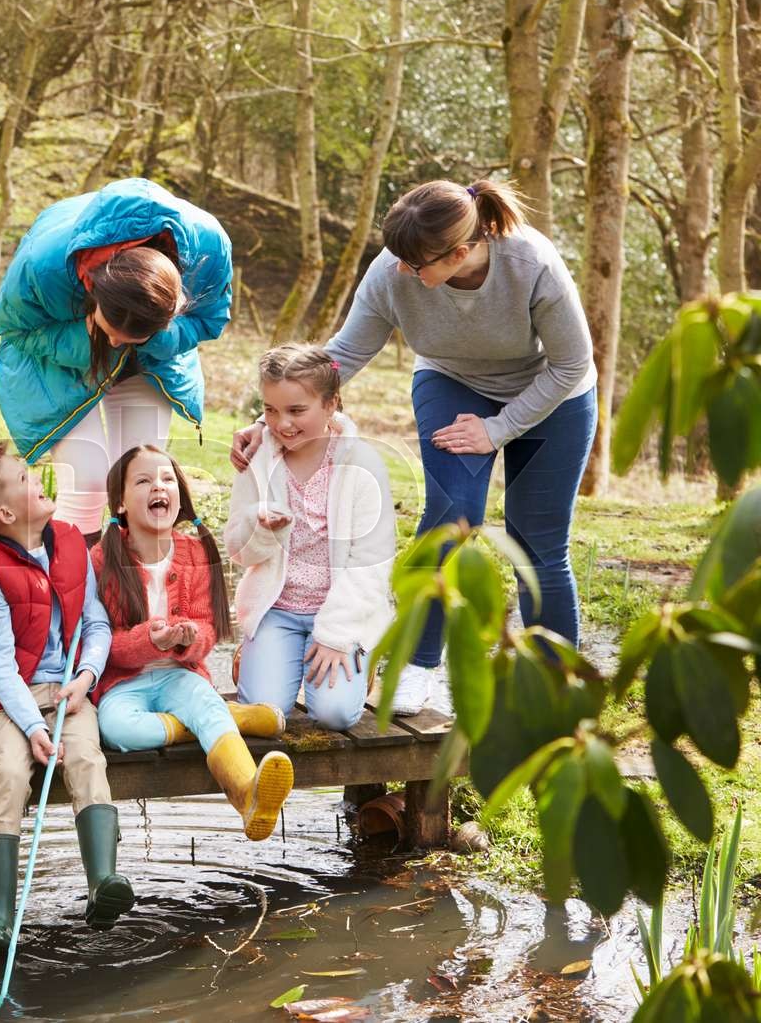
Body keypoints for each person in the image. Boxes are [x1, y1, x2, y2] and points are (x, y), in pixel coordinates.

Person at [231, 179, 595, 715]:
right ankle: (420, 665)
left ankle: (555, 683)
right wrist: (272, 421)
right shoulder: (392, 269)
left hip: (554, 394)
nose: (401, 270)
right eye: (397, 258)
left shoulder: (532, 265)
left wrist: (497, 429)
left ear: (461, 253)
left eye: (416, 264)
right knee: (453, 516)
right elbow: (340, 358)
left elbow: (569, 364)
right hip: (452, 381)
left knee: (539, 542)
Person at [0, 442, 130, 955]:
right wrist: (31, 727)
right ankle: (0, 921)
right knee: (7, 773)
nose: (39, 481)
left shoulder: (72, 541)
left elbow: (96, 621)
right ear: (5, 514)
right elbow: (0, 665)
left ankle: (102, 884)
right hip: (9, 704)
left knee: (88, 759)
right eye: (26, 479)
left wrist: (87, 676)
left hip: (70, 692)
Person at [0, 178, 232, 538]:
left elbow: (211, 319)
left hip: (152, 362)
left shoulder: (209, 247)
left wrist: (158, 339)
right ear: (93, 292)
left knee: (140, 483)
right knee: (87, 482)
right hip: (57, 358)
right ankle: (72, 587)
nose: (118, 341)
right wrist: (85, 337)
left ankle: (128, 587)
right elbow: (12, 328)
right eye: (112, 330)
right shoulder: (43, 266)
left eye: (131, 336)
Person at [90, 445, 293, 841]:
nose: (158, 487)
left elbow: (208, 629)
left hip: (181, 676)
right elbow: (103, 642)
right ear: (120, 502)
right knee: (118, 730)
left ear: (179, 493)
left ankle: (248, 795)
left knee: (204, 707)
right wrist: (149, 639)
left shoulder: (195, 552)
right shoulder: (103, 559)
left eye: (167, 479)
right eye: (144, 481)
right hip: (124, 683)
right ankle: (235, 715)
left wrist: (187, 638)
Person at [225, 346, 395, 733]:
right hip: (278, 609)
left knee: (333, 715)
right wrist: (261, 528)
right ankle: (257, 654)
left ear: (331, 403)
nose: (282, 424)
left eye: (296, 411)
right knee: (266, 713)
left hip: (338, 612)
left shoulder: (361, 465)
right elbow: (237, 549)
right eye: (270, 410)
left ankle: (357, 660)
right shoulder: (258, 458)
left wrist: (336, 636)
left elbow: (372, 562)